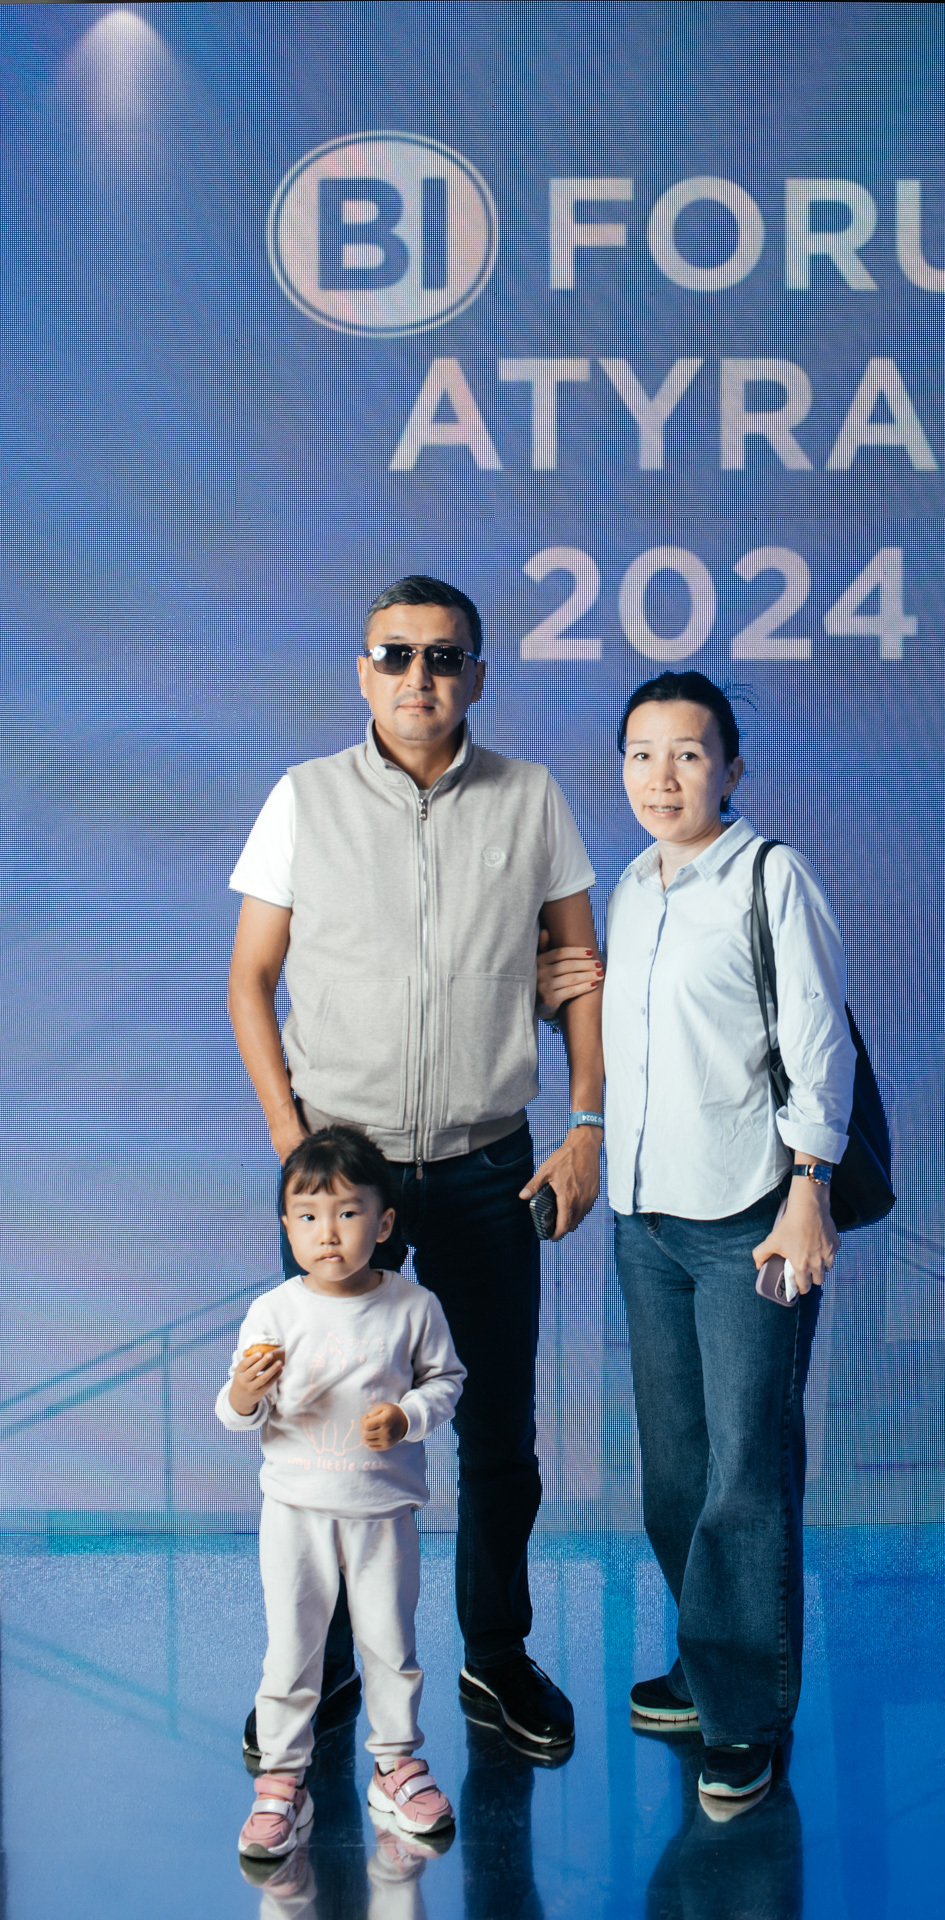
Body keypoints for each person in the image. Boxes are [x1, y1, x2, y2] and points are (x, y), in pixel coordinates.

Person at [227, 574, 603, 1757]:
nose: (418, 677)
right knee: (321, 1420)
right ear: (363, 671)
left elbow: (580, 978)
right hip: (347, 1173)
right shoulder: (303, 798)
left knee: (495, 1428)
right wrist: (295, 1149)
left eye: (444, 657)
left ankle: (495, 1656)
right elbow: (250, 981)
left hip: (491, 1167)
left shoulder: (532, 799)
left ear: (478, 677)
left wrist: (586, 1124)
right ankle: (326, 1668)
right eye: (395, 655)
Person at [539, 669, 857, 1803]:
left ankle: (746, 1715)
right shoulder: (631, 887)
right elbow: (641, 1037)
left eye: (686, 753)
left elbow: (818, 1043)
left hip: (750, 1224)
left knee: (745, 1474)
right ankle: (707, 1660)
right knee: (674, 1476)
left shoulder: (770, 877)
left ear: (731, 768)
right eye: (641, 754)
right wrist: (559, 999)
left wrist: (808, 1190)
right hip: (647, 1222)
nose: (661, 776)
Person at [218, 1126, 467, 1860]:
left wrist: (407, 1417)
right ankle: (281, 1779)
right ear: (287, 1226)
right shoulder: (275, 1312)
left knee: (390, 1646)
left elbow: (446, 1382)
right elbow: (235, 1412)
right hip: (294, 1513)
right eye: (308, 1216)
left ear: (384, 1224)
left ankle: (396, 1767)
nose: (327, 1232)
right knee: (292, 1651)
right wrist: (244, 1392)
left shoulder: (412, 1307)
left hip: (382, 1512)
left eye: (347, 1213)